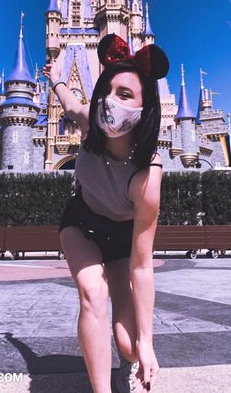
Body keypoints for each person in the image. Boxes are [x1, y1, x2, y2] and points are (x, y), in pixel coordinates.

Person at [43, 33, 169, 393]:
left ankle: (127, 362)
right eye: (107, 90)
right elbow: (70, 104)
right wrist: (56, 78)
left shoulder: (147, 176)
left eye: (125, 94)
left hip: (122, 241)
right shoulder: (90, 124)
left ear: (145, 107)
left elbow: (142, 266)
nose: (110, 101)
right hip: (81, 224)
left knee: (129, 345)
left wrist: (147, 342)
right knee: (93, 294)